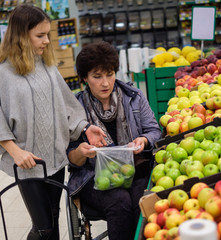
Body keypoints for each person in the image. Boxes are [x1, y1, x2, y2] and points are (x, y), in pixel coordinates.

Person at [0, 4, 106, 240]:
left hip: (54, 158)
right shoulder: (0, 74)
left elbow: (66, 105)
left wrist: (86, 128)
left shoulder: (47, 68)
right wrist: (15, 152)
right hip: (27, 164)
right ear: (21, 36)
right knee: (43, 228)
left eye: (47, 34)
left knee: (53, 222)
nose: (47, 41)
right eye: (40, 35)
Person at [67, 41, 162, 240]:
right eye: (97, 76)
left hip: (135, 168)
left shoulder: (133, 97)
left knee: (142, 200)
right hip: (93, 177)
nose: (105, 83)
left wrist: (143, 140)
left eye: (109, 74)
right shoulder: (75, 108)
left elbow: (154, 130)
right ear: (84, 78)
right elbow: (71, 157)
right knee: (119, 202)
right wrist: (82, 152)